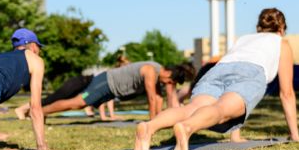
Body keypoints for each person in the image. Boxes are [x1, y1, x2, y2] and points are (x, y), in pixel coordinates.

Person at [134, 8, 299, 150]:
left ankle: (149, 127)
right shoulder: (282, 43)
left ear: (259, 27)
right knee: (221, 109)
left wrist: (235, 136)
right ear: (281, 28)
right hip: (250, 72)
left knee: (191, 108)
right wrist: (294, 135)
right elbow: (286, 93)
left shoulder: (244, 39)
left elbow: (232, 64)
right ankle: (187, 128)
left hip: (218, 70)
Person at [40, 61, 194, 119]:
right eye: (169, 81)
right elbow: (152, 98)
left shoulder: (159, 72)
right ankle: (41, 112)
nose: (167, 84)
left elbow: (160, 99)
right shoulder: (150, 70)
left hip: (112, 90)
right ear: (168, 73)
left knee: (79, 103)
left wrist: (161, 120)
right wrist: (152, 124)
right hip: (106, 82)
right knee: (78, 103)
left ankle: (41, 112)